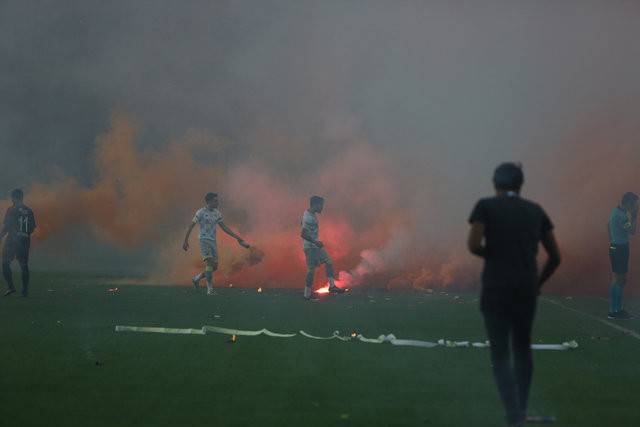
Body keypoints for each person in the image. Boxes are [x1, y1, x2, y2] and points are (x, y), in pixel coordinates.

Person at [467, 163, 561, 427]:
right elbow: (555, 256)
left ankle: (514, 415)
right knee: (522, 348)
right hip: (526, 289)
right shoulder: (535, 211)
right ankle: (521, 408)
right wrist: (537, 283)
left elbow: (474, 244)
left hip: (497, 287)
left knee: (500, 353)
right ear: (521, 185)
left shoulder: (485, 206)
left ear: (495, 183)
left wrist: (497, 255)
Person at [182, 192, 250, 295]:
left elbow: (224, 227)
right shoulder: (200, 212)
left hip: (213, 241)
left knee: (214, 267)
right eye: (215, 201)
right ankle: (210, 290)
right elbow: (191, 225)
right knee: (209, 264)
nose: (217, 203)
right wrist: (185, 240)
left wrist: (238, 238)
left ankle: (196, 279)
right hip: (203, 240)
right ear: (209, 202)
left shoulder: (217, 213)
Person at [300, 195, 345, 300]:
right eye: (321, 205)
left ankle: (332, 287)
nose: (322, 208)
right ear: (315, 205)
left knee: (328, 261)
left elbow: (302, 224)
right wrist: (315, 242)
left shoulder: (309, 214)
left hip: (315, 247)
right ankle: (307, 295)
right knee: (311, 270)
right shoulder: (308, 217)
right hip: (310, 248)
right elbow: (303, 234)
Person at [607, 191, 638, 320]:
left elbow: (607, 226)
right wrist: (635, 216)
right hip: (619, 249)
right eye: (635, 204)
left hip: (618, 247)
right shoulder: (622, 216)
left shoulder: (616, 212)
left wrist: (613, 239)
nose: (636, 206)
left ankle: (618, 309)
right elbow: (633, 231)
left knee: (622, 279)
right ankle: (613, 311)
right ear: (628, 203)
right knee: (619, 279)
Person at [1, 189, 37, 297]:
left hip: (12, 239)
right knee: (24, 265)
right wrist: (24, 233)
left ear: (13, 198)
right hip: (25, 240)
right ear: (22, 197)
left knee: (5, 263)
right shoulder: (29, 210)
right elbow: (32, 228)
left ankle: (11, 287)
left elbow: (7, 225)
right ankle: (24, 290)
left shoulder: (11, 209)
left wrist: (1, 235)